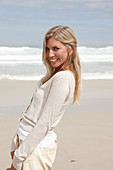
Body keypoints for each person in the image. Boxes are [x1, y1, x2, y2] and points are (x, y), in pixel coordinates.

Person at [10, 25, 81, 170]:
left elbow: (44, 124)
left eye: (56, 48)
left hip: (34, 151)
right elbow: (32, 113)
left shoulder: (63, 78)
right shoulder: (54, 75)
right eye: (47, 49)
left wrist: (19, 157)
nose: (50, 54)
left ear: (70, 49)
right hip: (27, 146)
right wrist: (16, 140)